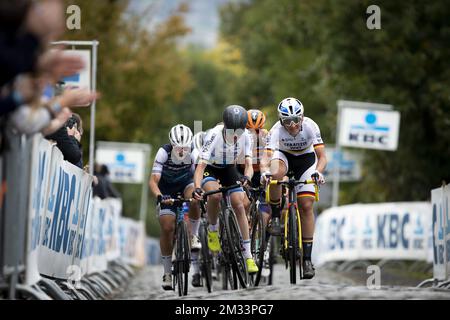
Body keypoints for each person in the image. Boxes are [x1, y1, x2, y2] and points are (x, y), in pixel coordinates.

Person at [260, 97, 327, 279]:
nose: (292, 125)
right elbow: (266, 157)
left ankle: (306, 260)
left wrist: (318, 172)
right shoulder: (275, 130)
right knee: (275, 174)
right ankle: (275, 216)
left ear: (302, 117)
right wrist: (265, 171)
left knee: (306, 205)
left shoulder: (311, 126)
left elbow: (322, 157)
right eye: (287, 121)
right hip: (284, 157)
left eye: (296, 120)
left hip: (306, 161)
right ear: (281, 120)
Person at [192, 105, 259, 274]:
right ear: (225, 126)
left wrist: (247, 177)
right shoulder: (214, 134)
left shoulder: (247, 137)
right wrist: (197, 188)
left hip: (229, 167)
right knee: (214, 196)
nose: (235, 136)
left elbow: (249, 165)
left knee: (239, 203)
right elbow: (200, 168)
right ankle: (213, 231)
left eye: (239, 132)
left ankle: (248, 256)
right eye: (231, 132)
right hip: (211, 167)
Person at [149, 124, 201, 290]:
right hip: (166, 190)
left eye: (185, 148)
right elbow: (154, 180)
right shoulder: (163, 153)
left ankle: (193, 235)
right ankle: (167, 273)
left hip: (186, 184)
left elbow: (197, 176)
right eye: (179, 148)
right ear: (172, 145)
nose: (182, 152)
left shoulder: (193, 153)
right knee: (167, 226)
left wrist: (199, 191)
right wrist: (159, 196)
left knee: (194, 199)